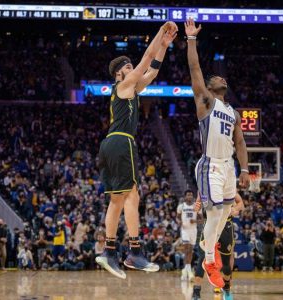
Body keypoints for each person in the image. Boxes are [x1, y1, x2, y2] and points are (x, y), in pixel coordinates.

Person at [96, 21, 178, 279]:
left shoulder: (130, 89)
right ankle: (132, 252)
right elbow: (145, 59)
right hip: (121, 141)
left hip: (112, 144)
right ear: (119, 74)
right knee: (130, 198)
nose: (134, 70)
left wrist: (163, 46)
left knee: (121, 199)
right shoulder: (123, 85)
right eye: (128, 68)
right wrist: (160, 33)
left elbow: (151, 71)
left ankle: (112, 252)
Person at [185, 18, 249, 288]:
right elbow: (195, 67)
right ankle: (209, 258)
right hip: (210, 164)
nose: (222, 78)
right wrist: (191, 39)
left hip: (228, 167)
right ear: (209, 88)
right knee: (213, 213)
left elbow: (242, 143)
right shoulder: (206, 101)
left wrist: (244, 170)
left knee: (225, 214)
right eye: (216, 78)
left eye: (223, 77)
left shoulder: (233, 112)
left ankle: (207, 248)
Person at [192, 193, 245, 300]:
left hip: (226, 225)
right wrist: (196, 206)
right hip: (210, 224)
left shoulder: (229, 184)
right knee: (203, 258)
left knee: (226, 262)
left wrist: (235, 209)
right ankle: (196, 292)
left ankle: (226, 289)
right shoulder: (205, 184)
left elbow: (241, 204)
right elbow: (197, 204)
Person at [177, 190, 203, 281]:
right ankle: (189, 271)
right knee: (187, 249)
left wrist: (195, 221)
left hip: (193, 230)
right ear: (185, 197)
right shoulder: (181, 206)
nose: (190, 196)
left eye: (191, 195)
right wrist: (179, 222)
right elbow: (178, 217)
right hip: (185, 230)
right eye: (188, 195)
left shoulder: (196, 206)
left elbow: (202, 220)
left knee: (190, 251)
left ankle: (185, 269)